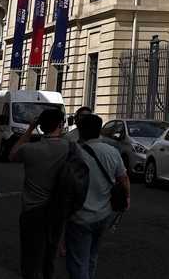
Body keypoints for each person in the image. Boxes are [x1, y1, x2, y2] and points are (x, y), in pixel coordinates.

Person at [10, 108, 73, 279]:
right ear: (61, 125)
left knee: (30, 260)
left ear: (40, 125)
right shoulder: (71, 148)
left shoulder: (29, 149)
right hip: (58, 209)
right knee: (49, 257)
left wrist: (30, 129)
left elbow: (12, 154)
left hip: (33, 210)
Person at [66, 115, 129, 279]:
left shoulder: (76, 154)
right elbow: (123, 178)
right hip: (103, 214)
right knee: (92, 255)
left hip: (80, 215)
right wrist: (127, 197)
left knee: (78, 261)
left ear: (80, 133)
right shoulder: (112, 151)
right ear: (99, 130)